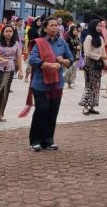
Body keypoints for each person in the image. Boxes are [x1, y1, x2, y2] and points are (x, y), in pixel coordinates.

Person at [26, 17, 73, 151]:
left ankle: (48, 140)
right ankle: (35, 140)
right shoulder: (39, 43)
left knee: (53, 112)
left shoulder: (62, 43)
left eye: (56, 25)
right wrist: (48, 65)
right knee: (42, 109)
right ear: (45, 28)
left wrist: (62, 61)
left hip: (56, 83)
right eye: (51, 25)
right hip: (40, 83)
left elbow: (70, 59)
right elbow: (32, 59)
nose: (54, 27)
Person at [0, 25, 23, 122]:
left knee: (5, 92)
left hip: (9, 69)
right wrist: (0, 58)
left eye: (10, 31)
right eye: (6, 31)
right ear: (3, 33)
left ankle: (0, 115)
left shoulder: (16, 44)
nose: (9, 33)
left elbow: (19, 57)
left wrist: (21, 71)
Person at [79, 18, 107, 115]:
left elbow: (103, 51)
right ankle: (85, 107)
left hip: (98, 64)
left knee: (96, 85)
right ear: (92, 26)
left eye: (100, 26)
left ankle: (92, 106)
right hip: (90, 64)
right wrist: (99, 57)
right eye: (97, 25)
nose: (99, 27)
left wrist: (106, 63)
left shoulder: (101, 38)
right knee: (89, 85)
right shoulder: (89, 38)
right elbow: (87, 52)